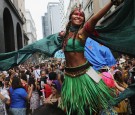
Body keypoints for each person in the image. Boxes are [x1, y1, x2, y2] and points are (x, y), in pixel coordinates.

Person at [58, 1, 119, 114]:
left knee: (95, 106)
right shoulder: (64, 35)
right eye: (76, 14)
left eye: (81, 15)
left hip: (86, 74)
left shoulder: (83, 32)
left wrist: (111, 3)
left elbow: (95, 18)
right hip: (70, 77)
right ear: (70, 16)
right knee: (74, 109)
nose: (78, 16)